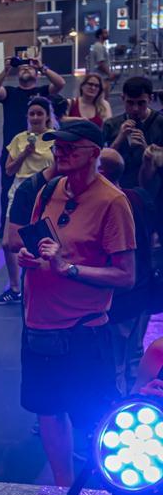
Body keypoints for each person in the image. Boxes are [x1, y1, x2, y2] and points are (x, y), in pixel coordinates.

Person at [16, 120, 135, 487]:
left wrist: (66, 267)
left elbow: (125, 275)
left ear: (95, 153)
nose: (61, 152)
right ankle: (62, 490)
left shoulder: (113, 202)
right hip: (39, 326)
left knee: (91, 416)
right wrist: (30, 258)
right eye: (58, 147)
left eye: (71, 147)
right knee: (48, 412)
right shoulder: (49, 189)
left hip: (82, 331)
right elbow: (40, 245)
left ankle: (103, 488)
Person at [97, 149, 156, 395]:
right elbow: (153, 238)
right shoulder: (140, 197)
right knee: (135, 355)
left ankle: (116, 412)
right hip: (143, 292)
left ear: (102, 173)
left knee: (114, 363)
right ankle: (140, 407)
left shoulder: (107, 205)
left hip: (118, 298)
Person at [0, 55, 65, 239]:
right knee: (7, 187)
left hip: (41, 148)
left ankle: (41, 220)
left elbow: (60, 83)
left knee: (43, 185)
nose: (25, 69)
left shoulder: (42, 91)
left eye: (30, 68)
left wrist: (42, 67)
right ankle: (5, 223)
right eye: (22, 68)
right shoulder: (10, 93)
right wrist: (6, 70)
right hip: (14, 146)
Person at [0, 97, 55, 306]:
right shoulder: (20, 139)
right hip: (19, 191)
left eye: (40, 113)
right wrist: (24, 153)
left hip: (45, 192)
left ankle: (43, 284)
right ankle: (15, 288)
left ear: (47, 116)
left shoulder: (54, 138)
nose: (36, 117)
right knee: (8, 243)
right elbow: (9, 169)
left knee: (44, 240)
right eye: (32, 114)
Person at [103, 76, 163, 191]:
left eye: (141, 103)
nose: (135, 108)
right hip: (118, 189)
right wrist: (119, 139)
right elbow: (101, 163)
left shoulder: (160, 124)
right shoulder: (111, 125)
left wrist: (147, 151)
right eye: (130, 103)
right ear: (122, 98)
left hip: (154, 192)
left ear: (150, 99)